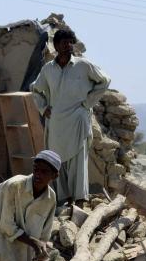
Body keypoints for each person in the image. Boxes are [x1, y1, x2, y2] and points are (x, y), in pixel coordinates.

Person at [30, 29, 111, 206]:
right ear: (56, 45)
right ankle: (63, 201)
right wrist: (43, 108)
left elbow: (104, 80)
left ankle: (80, 201)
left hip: (78, 120)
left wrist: (88, 103)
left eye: (70, 42)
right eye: (63, 42)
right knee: (56, 161)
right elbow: (35, 89)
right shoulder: (48, 69)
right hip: (57, 123)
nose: (67, 46)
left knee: (78, 162)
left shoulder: (83, 65)